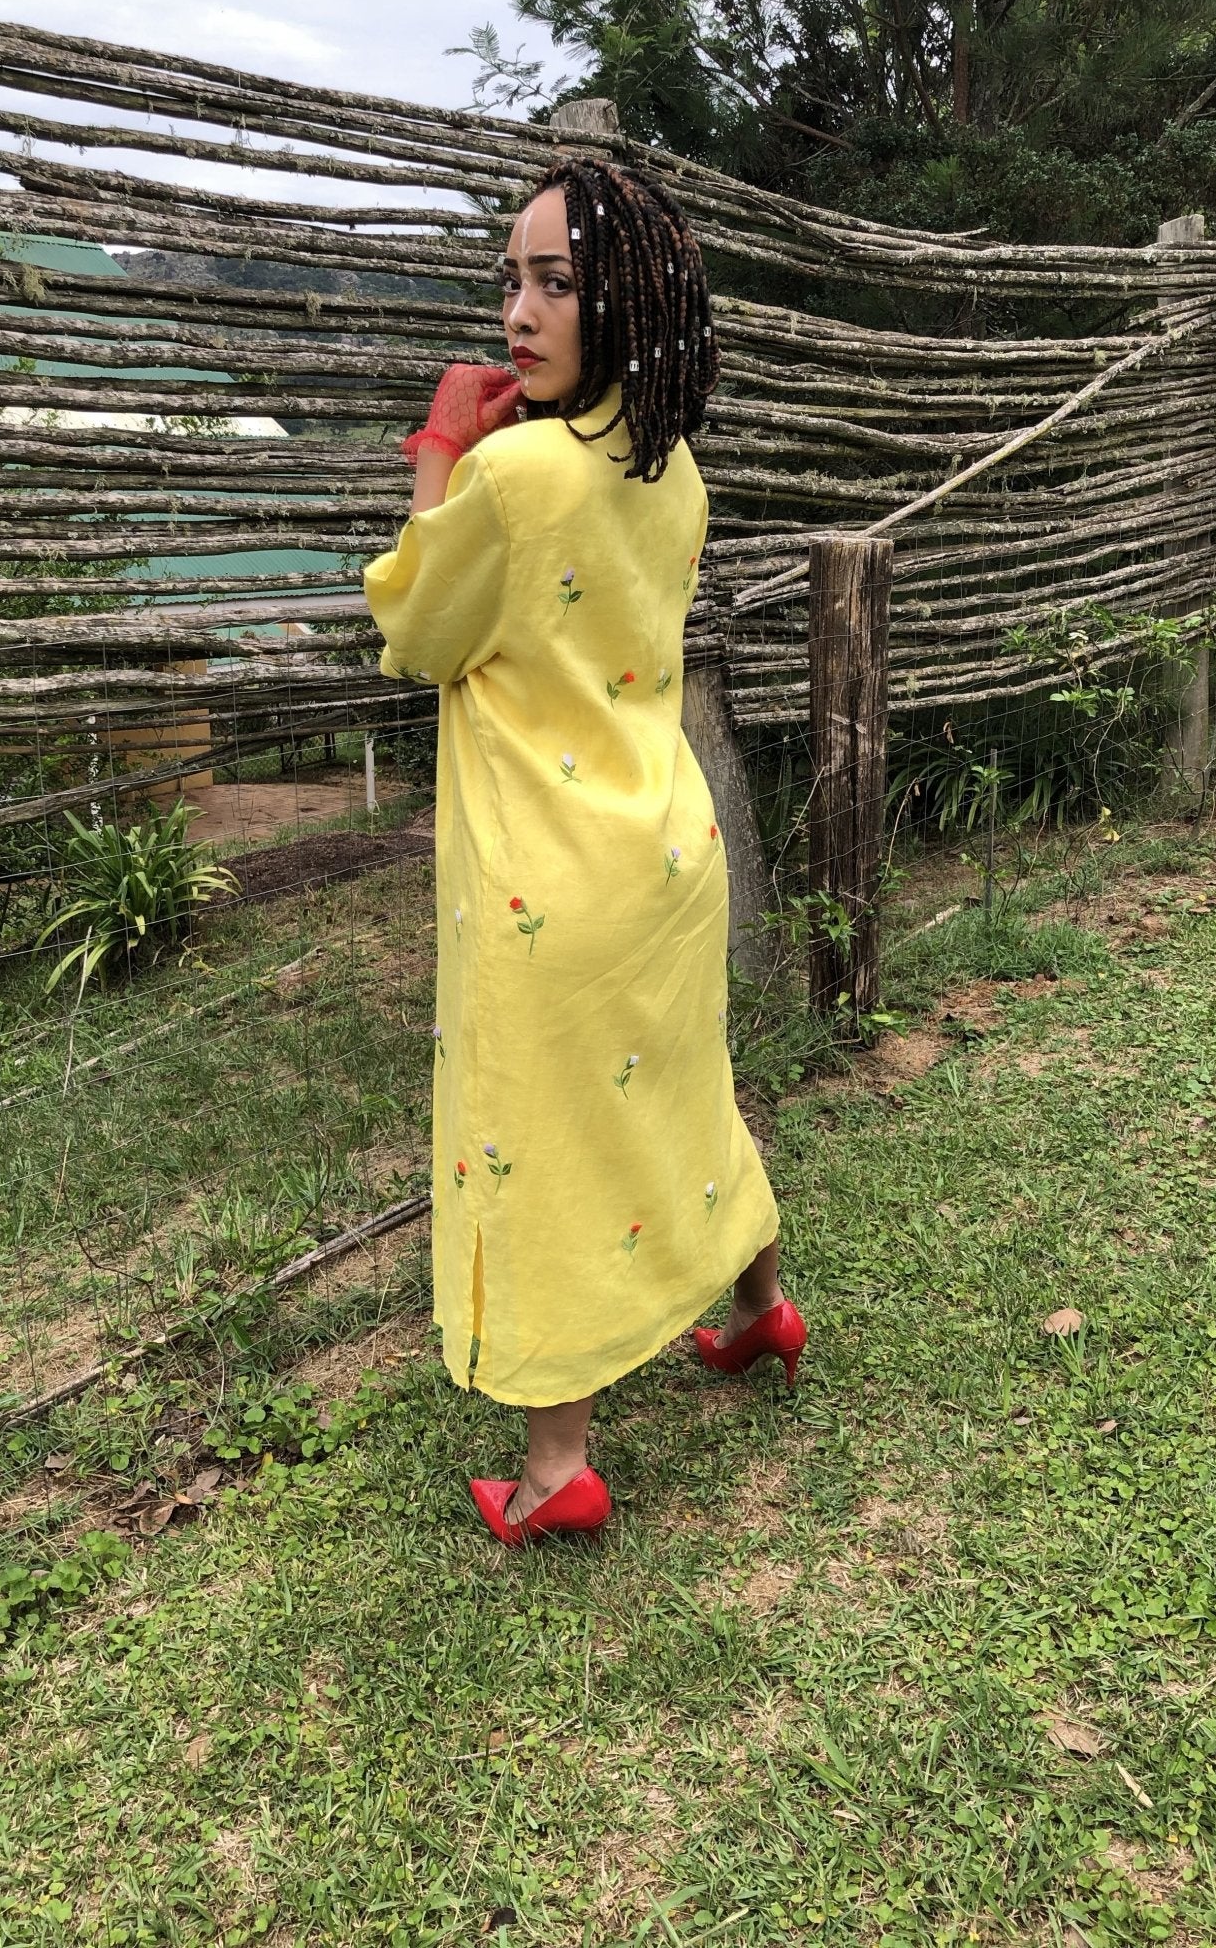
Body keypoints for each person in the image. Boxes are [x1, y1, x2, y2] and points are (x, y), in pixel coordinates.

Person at [362, 158, 806, 1547]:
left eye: (555, 282)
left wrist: (438, 450)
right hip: (665, 855)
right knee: (684, 1094)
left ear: (627, 301)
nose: (519, 312)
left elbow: (415, 631)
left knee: (538, 1146)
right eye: (511, 280)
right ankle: (761, 1309)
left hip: (544, 886)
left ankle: (559, 1468)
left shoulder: (511, 475)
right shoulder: (675, 473)